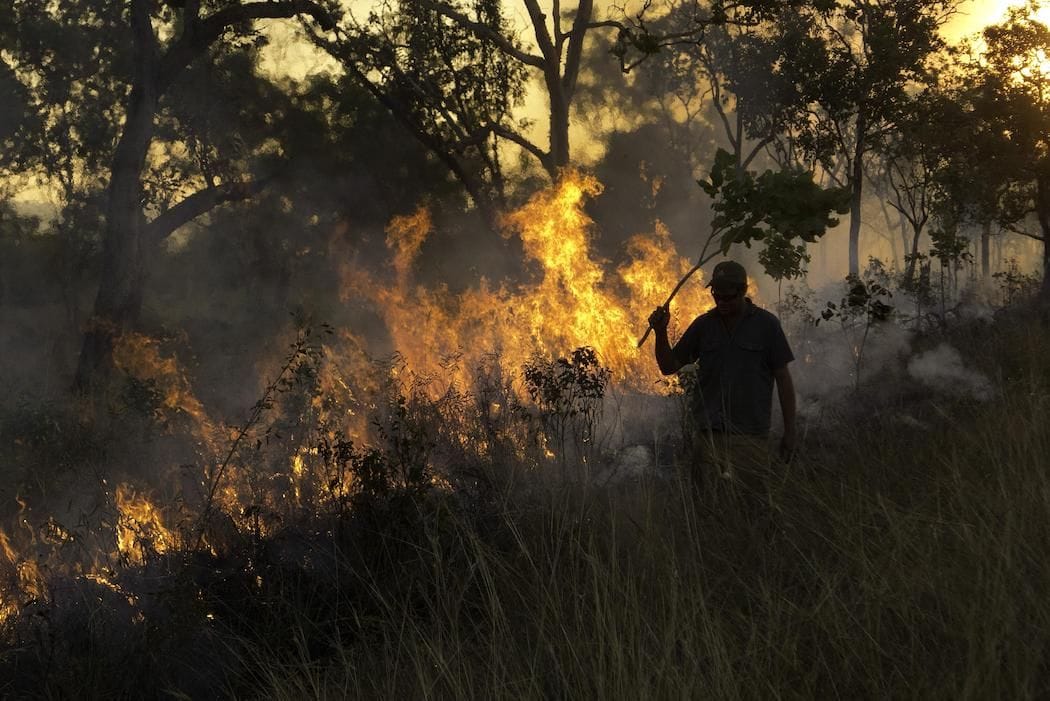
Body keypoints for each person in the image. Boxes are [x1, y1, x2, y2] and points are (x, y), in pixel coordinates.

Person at [648, 260, 797, 495]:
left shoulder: (766, 326)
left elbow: (783, 379)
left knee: (752, 507)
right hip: (709, 437)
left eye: (728, 297)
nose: (722, 302)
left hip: (749, 438)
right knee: (707, 507)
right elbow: (669, 366)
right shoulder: (704, 326)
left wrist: (790, 432)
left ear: (743, 292)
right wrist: (661, 332)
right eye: (717, 296)